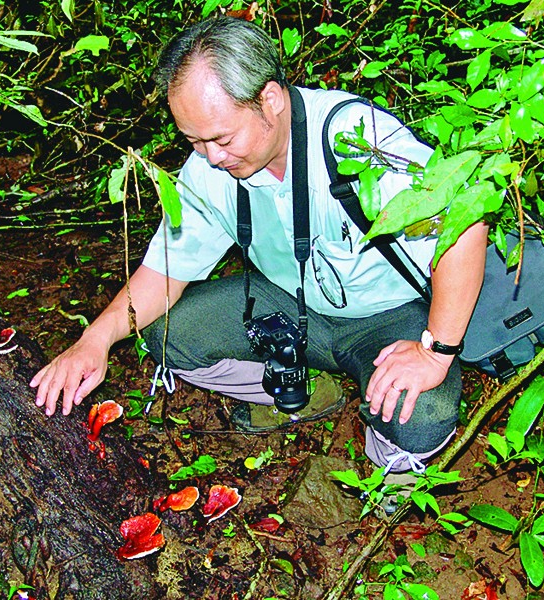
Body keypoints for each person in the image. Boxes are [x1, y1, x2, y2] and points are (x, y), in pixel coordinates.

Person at [30, 16, 488, 475]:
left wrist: (434, 352)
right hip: (290, 306)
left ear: (269, 100)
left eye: (221, 138)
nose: (211, 157)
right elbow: (164, 273)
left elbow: (464, 223)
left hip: (389, 317)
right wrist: (96, 339)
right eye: (194, 141)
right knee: (170, 334)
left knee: (420, 416)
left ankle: (390, 474)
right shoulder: (208, 169)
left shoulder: (355, 138)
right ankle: (303, 393)